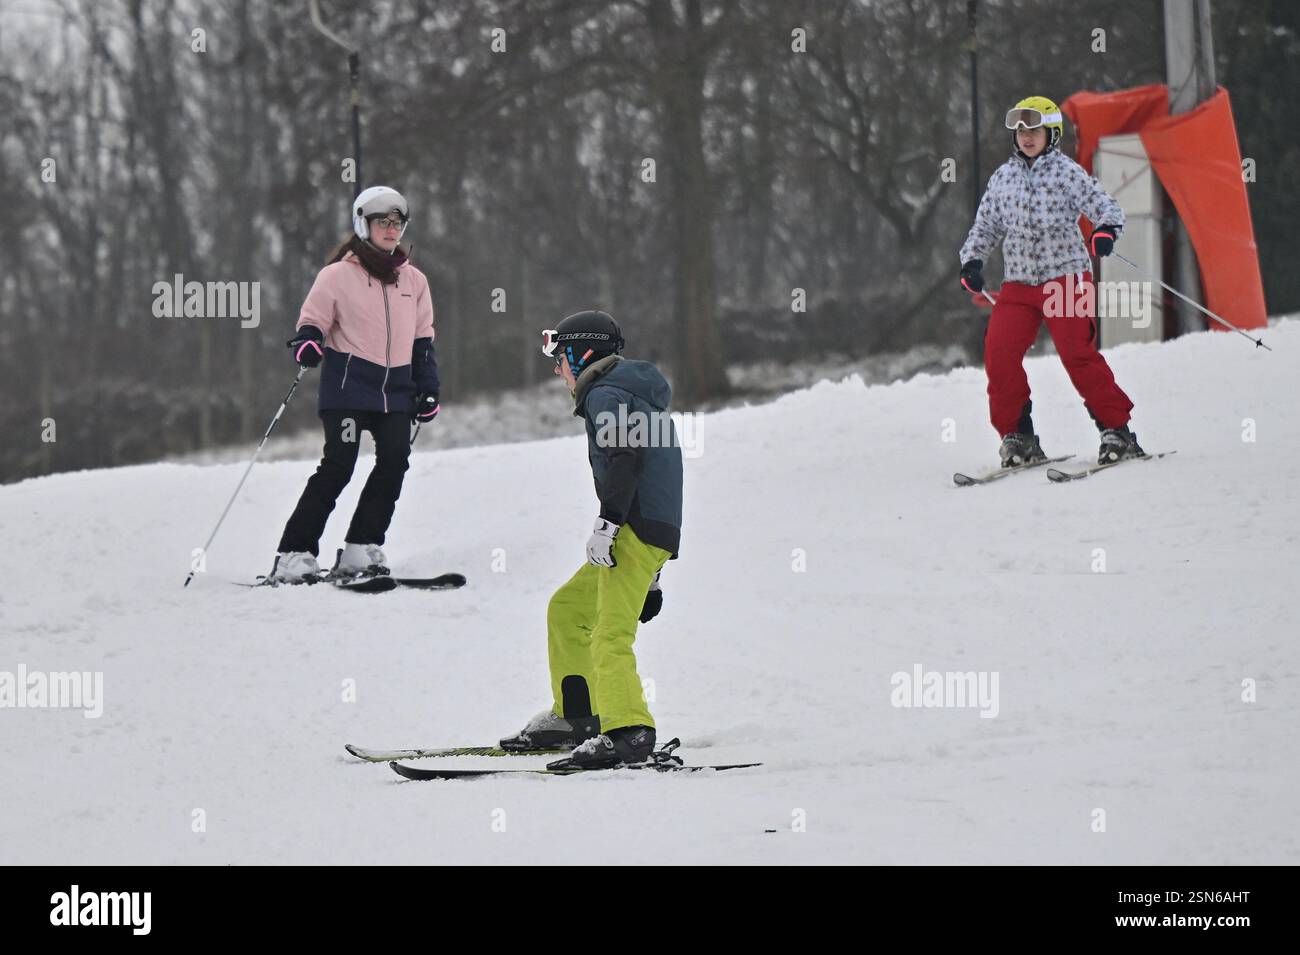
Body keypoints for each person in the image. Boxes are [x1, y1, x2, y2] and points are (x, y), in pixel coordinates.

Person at [500, 310, 683, 768]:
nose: (557, 369)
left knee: (609, 634)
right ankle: (578, 717)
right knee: (569, 610)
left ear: (583, 354)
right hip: (642, 532)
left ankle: (629, 731)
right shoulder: (631, 396)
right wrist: (652, 574)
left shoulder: (607, 394)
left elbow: (625, 459)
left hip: (631, 530)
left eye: (561, 358)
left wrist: (609, 525)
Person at [959, 96, 1145, 467]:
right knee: (999, 354)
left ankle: (1117, 431)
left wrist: (1105, 230)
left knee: (1077, 354)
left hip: (1066, 279)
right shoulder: (1003, 178)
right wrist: (972, 261)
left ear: (1052, 134)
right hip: (1019, 283)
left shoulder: (1065, 172)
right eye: (1021, 130)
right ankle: (1018, 437)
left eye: (1035, 130)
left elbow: (1104, 205)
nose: (1026, 137)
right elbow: (986, 225)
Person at [268, 185, 441, 583]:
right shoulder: (337, 276)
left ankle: (361, 549)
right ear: (363, 225)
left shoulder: (414, 281)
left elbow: (423, 340)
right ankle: (294, 554)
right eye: (382, 221)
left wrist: (428, 386)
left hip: (395, 391)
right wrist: (308, 342)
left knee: (395, 460)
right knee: (339, 465)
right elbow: (312, 321)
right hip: (349, 388)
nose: (391, 228)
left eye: (397, 222)